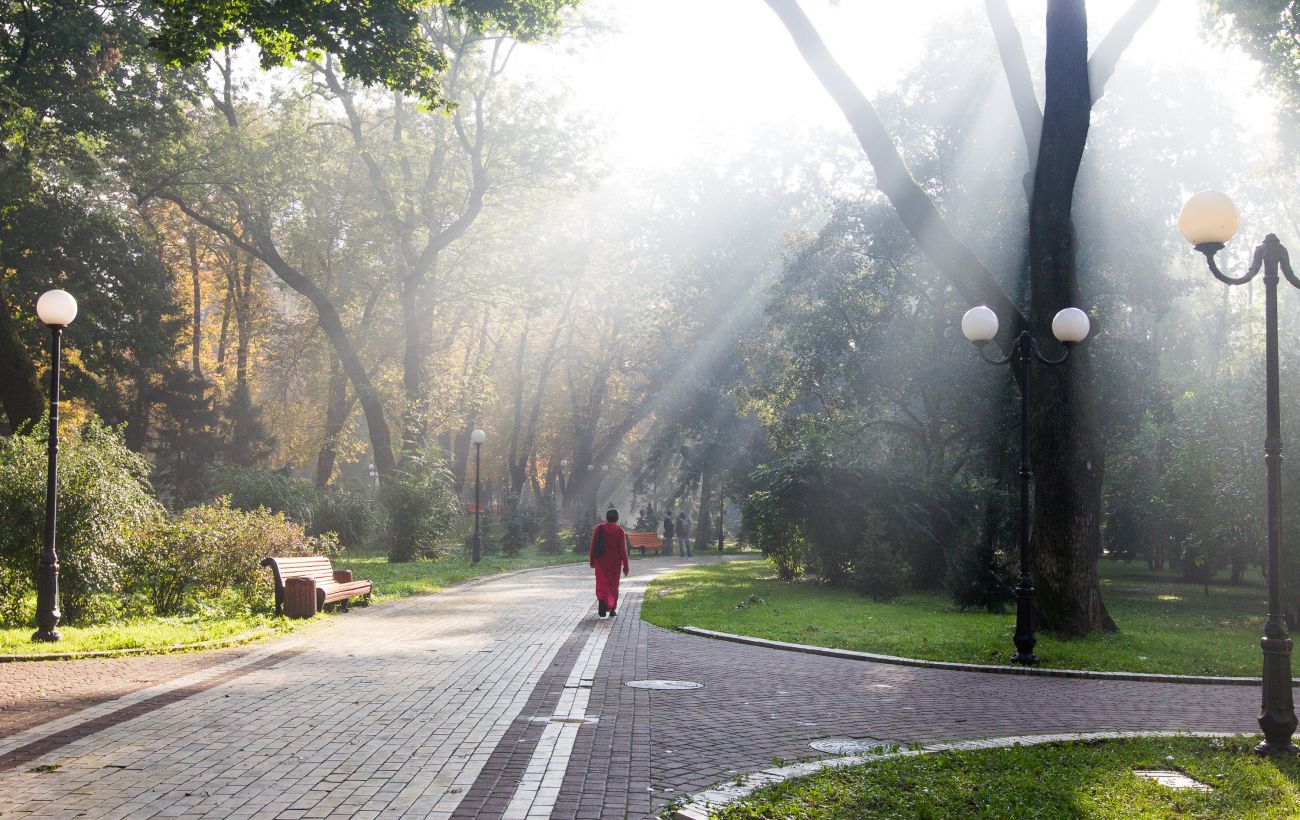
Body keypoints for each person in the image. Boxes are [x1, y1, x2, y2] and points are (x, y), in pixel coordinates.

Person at [589, 508, 630, 618]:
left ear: (607, 517)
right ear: (617, 518)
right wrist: (626, 566)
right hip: (615, 563)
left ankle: (602, 600)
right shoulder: (620, 531)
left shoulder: (599, 528)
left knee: (602, 583)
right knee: (613, 586)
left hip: (601, 562)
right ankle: (612, 609)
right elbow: (623, 550)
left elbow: (593, 545)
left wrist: (592, 560)